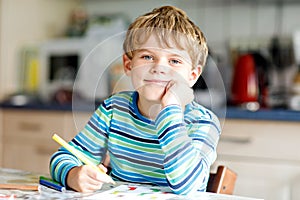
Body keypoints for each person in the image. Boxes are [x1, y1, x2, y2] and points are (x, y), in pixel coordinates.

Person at [50, 5, 221, 195]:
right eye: (147, 56)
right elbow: (64, 156)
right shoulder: (114, 109)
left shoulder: (203, 122)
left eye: (174, 61)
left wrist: (170, 111)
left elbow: (187, 186)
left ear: (193, 75)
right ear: (128, 65)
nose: (159, 68)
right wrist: (73, 174)